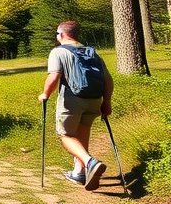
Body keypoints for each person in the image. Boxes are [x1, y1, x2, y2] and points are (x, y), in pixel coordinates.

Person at [38, 20, 114, 190]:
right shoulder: (92, 53)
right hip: (94, 100)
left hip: (73, 99)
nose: (56, 36)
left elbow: (54, 76)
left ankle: (90, 162)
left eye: (57, 34)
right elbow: (108, 80)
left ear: (62, 35)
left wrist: (45, 94)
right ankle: (78, 172)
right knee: (82, 134)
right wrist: (106, 102)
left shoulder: (58, 52)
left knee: (65, 135)